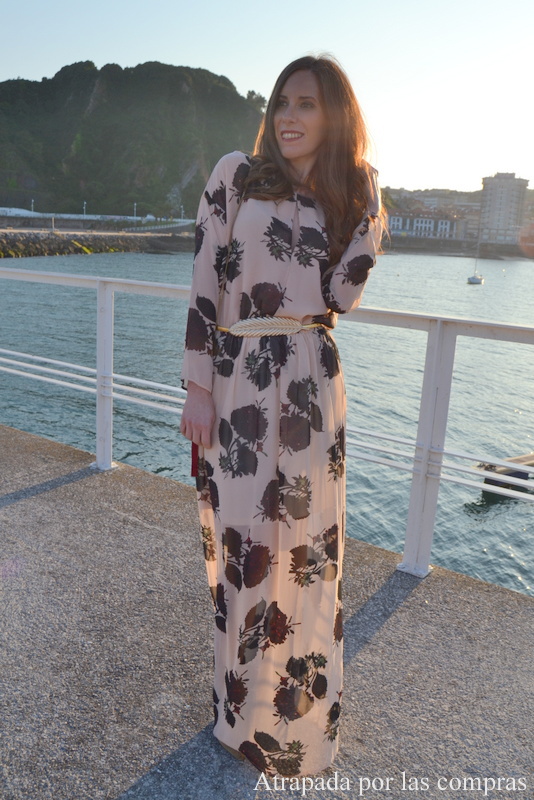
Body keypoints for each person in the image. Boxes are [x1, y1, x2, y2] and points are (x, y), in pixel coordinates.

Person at [180, 54, 384, 777]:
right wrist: (196, 386)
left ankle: (296, 723)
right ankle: (239, 712)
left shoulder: (346, 197)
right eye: (283, 102)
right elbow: (204, 281)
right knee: (244, 548)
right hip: (237, 381)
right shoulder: (236, 174)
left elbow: (343, 295)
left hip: (310, 386)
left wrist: (368, 198)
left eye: (308, 104)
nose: (289, 117)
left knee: (306, 551)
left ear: (335, 117)